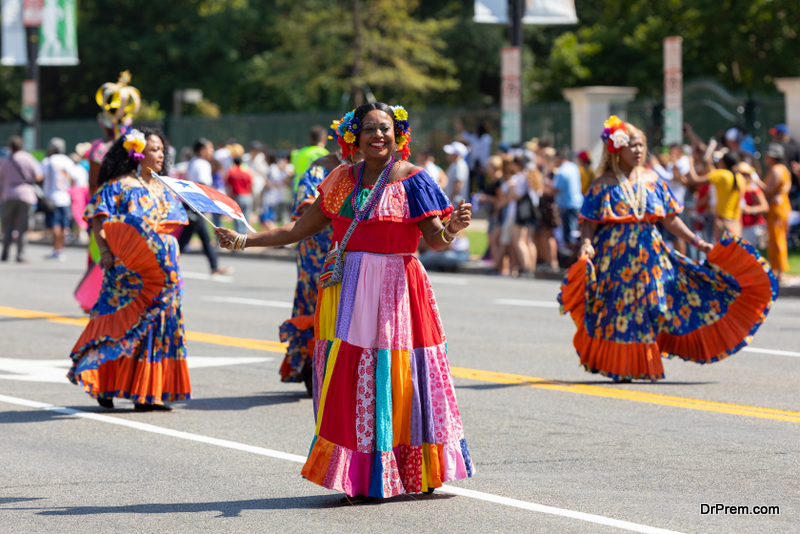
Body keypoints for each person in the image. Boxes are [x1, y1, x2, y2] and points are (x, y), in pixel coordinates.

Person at [215, 103, 475, 500]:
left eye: (385, 128)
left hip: (398, 290)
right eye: (369, 128)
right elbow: (298, 228)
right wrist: (244, 239)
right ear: (354, 135)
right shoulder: (340, 179)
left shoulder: (414, 180)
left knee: (401, 375)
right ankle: (357, 475)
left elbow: (435, 239)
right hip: (348, 289)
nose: (378, 135)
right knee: (351, 377)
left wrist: (453, 227)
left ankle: (417, 469)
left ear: (398, 133)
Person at [559, 116, 778, 382]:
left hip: (650, 255)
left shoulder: (652, 179)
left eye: (641, 145)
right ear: (617, 149)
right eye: (632, 145)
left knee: (653, 304)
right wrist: (586, 244)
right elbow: (589, 222)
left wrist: (698, 242)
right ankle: (625, 365)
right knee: (623, 309)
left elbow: (669, 218)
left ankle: (641, 361)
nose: (638, 150)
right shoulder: (603, 183)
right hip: (614, 258)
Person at [67, 127, 190, 410]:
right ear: (138, 153)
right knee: (122, 324)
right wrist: (106, 250)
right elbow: (98, 218)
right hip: (129, 269)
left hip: (165, 267)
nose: (161, 154)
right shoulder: (120, 185)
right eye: (154, 149)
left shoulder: (167, 186)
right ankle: (105, 383)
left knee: (159, 325)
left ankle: (147, 392)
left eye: (162, 149)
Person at [278, 131, 358, 392]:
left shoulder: (369, 171)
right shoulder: (320, 170)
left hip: (349, 252)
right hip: (316, 253)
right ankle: (313, 369)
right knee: (315, 304)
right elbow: (304, 208)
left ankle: (343, 370)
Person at [178, 138, 231, 275]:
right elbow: (203, 185)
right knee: (201, 238)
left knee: (191, 238)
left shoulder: (193, 162)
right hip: (196, 205)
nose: (212, 151)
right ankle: (214, 266)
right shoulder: (202, 164)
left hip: (190, 203)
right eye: (210, 148)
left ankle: (214, 266)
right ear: (202, 151)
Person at [752, 143, 792, 281]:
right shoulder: (784, 169)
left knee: (777, 240)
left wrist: (755, 180)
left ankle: (780, 271)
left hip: (777, 208)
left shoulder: (776, 170)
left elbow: (768, 190)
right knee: (778, 238)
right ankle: (777, 270)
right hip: (782, 207)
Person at [685, 150, 744, 239]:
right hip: (735, 223)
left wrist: (690, 163)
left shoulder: (722, 175)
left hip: (722, 223)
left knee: (721, 251)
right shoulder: (740, 178)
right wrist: (709, 163)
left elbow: (695, 180)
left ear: (724, 162)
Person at [1, 136, 41, 263]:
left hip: (8, 193)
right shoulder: (28, 158)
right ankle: (20, 255)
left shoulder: (5, 160)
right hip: (25, 194)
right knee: (22, 226)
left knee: (7, 225)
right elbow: (39, 176)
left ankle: (5, 254)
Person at [41, 138, 76, 260]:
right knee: (63, 226)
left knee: (55, 224)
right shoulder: (68, 161)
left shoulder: (48, 161)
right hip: (65, 197)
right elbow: (73, 179)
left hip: (52, 197)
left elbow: (40, 176)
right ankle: (60, 250)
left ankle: (56, 250)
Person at [551, 150, 584, 249]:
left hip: (567, 205)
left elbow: (555, 189)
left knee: (570, 236)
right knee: (575, 233)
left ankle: (575, 260)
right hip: (577, 203)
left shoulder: (562, 171)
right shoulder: (573, 166)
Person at [290, 126, 329, 193]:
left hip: (298, 188)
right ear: (324, 138)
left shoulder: (299, 152)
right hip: (314, 191)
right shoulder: (324, 154)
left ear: (310, 138)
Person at [739, 162, 768, 249]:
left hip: (751, 225)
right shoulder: (738, 189)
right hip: (739, 224)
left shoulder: (754, 189)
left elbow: (765, 207)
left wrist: (751, 210)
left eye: (744, 175)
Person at [226, 156, 254, 235]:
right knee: (247, 217)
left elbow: (228, 186)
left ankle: (239, 238)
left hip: (237, 196)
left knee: (238, 218)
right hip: (247, 196)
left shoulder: (231, 172)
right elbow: (250, 185)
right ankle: (246, 238)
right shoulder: (247, 172)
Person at [443, 141, 469, 205]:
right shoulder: (455, 164)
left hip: (456, 203)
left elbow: (458, 184)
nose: (447, 155)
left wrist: (450, 199)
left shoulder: (459, 165)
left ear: (456, 154)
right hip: (454, 202)